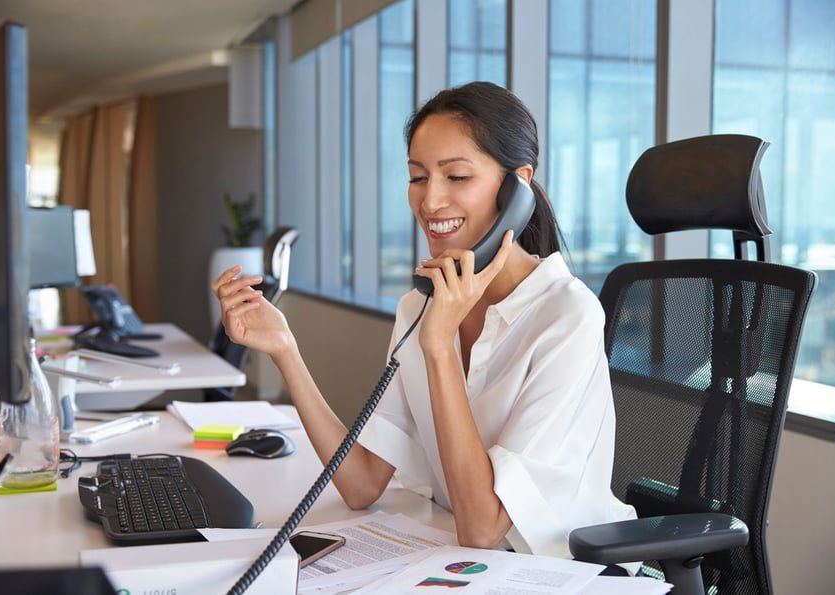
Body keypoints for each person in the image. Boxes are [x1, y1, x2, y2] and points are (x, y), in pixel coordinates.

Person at [212, 81, 636, 560]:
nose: (430, 201)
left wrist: (438, 349)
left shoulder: (566, 316)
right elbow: (361, 483)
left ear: (517, 187)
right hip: (463, 563)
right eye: (417, 177)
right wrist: (285, 349)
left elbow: (483, 528)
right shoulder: (418, 308)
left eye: (456, 177)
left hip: (557, 573)